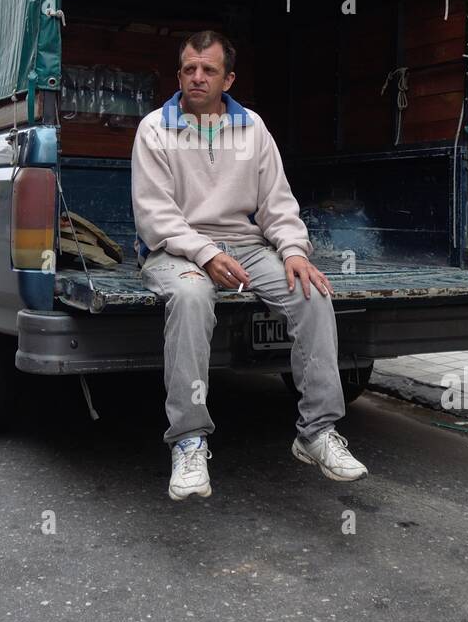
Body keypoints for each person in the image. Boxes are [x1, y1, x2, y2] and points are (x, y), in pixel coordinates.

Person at [131, 30, 368, 502]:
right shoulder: (155, 128)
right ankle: (189, 440)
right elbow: (155, 216)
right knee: (192, 296)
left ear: (228, 78)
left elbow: (277, 204)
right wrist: (205, 254)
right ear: (179, 74)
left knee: (312, 292)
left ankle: (316, 433)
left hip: (246, 245)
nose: (197, 77)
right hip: (176, 250)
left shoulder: (253, 128)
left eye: (208, 70)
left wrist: (295, 251)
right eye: (188, 68)